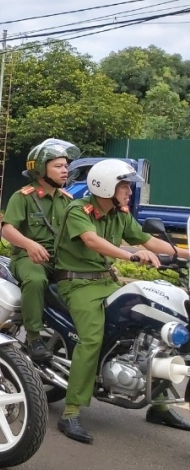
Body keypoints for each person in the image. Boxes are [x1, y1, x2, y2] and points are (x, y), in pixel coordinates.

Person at [52, 159, 190, 444]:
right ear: (105, 186)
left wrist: (184, 254)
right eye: (125, 186)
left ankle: (159, 406)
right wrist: (130, 256)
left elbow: (149, 242)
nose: (129, 191)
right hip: (77, 283)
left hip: (105, 281)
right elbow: (92, 241)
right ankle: (71, 411)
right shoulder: (79, 210)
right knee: (91, 338)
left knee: (154, 332)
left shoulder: (119, 215)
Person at [1, 139, 80, 362]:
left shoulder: (68, 200)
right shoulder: (23, 197)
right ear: (40, 169)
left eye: (66, 166)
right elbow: (8, 230)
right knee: (36, 281)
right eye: (58, 166)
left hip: (60, 259)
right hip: (29, 257)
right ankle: (34, 338)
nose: (65, 170)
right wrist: (29, 244)